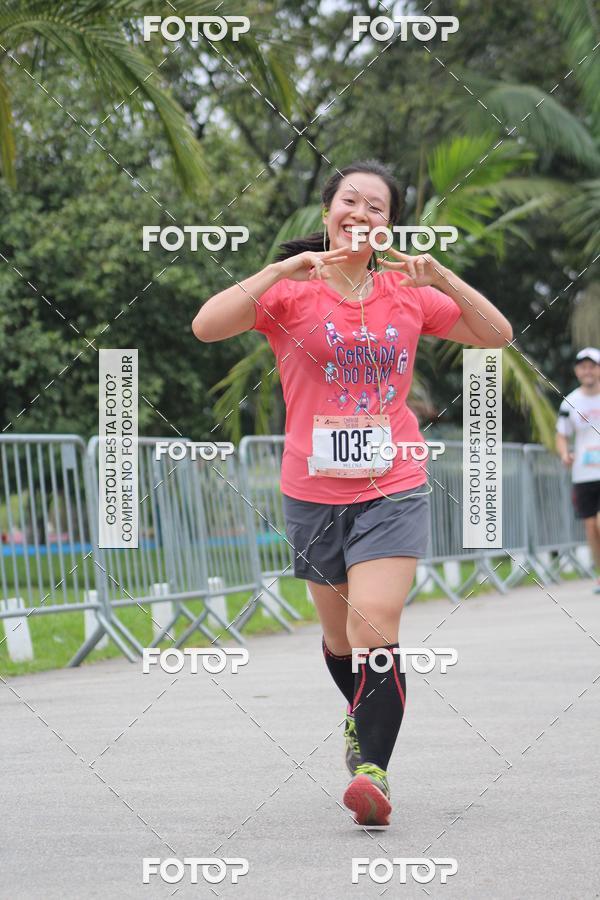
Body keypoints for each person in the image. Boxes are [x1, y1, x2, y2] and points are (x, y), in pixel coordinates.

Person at [192, 160, 513, 827]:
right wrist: (281, 270)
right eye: (349, 200)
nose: (361, 212)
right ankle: (359, 720)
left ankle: (372, 772)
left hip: (392, 485)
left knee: (375, 623)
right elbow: (207, 326)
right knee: (340, 640)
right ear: (328, 213)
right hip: (311, 493)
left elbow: (496, 334)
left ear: (389, 224)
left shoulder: (408, 295)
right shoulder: (291, 295)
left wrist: (441, 275)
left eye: (377, 206)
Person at [556, 347, 600, 592]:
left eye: (592, 366)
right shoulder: (570, 401)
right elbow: (561, 435)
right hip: (584, 473)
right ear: (577, 371)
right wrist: (565, 453)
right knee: (591, 527)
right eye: (583, 366)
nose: (588, 370)